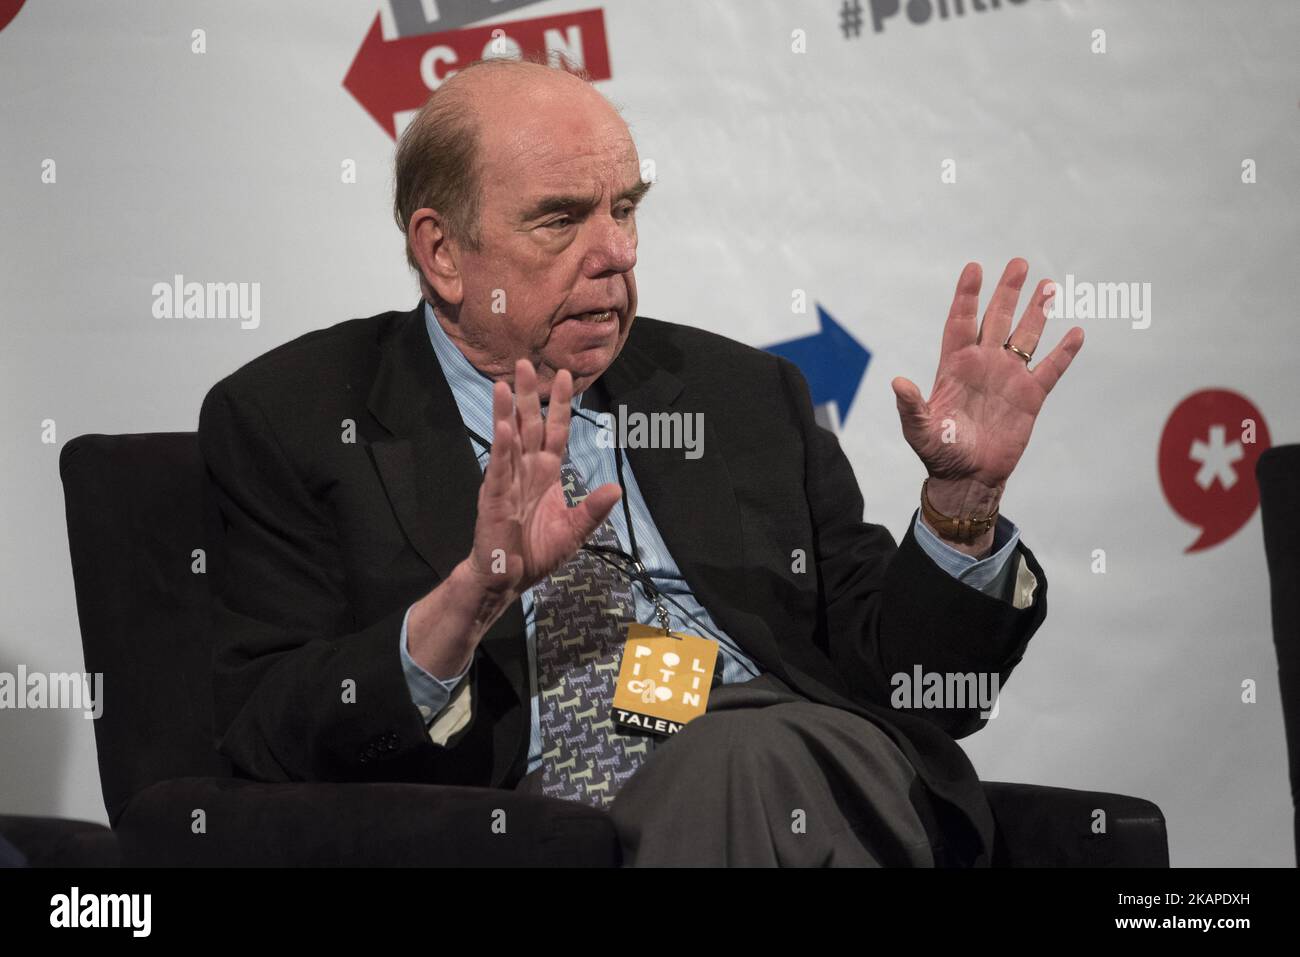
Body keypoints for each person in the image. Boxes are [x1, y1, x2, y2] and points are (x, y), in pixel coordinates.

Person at [198, 56, 1083, 866]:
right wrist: (468, 600)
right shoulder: (298, 418)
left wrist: (961, 504)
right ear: (443, 252)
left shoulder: (738, 395)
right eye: (561, 219)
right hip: (530, 830)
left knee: (741, 758)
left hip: (798, 769)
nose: (616, 252)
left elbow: (915, 686)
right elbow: (264, 731)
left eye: (625, 208)